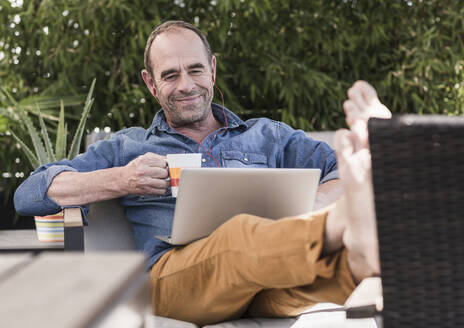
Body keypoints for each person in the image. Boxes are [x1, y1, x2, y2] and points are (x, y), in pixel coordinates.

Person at [14, 20, 390, 325]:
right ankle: (343, 219)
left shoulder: (269, 135)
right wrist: (121, 179)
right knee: (240, 234)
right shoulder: (127, 147)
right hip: (174, 281)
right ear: (150, 83)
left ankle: (359, 252)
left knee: (336, 271)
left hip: (266, 276)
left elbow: (336, 170)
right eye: (171, 75)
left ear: (212, 70)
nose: (186, 85)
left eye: (195, 69)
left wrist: (313, 201)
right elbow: (29, 193)